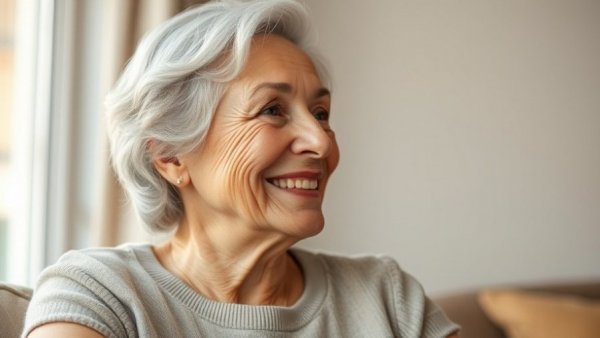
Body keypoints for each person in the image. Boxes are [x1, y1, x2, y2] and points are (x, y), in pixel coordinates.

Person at [23, 0, 460, 337]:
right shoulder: (99, 294)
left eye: (321, 113)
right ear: (171, 156)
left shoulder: (385, 296)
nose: (321, 141)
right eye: (272, 109)